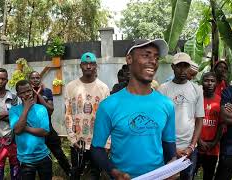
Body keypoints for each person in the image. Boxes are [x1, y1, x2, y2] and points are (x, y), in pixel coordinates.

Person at [91, 39, 177, 179]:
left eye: (156, 57)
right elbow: (96, 148)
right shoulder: (109, 105)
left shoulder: (166, 105)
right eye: (146, 55)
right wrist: (113, 171)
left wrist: (173, 162)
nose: (153, 61)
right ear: (129, 59)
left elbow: (168, 142)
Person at [159, 52, 204, 180]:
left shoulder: (197, 89)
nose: (183, 69)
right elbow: (160, 122)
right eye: (179, 66)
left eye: (186, 66)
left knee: (187, 177)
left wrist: (191, 146)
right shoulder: (163, 89)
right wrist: (173, 149)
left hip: (189, 148)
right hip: (167, 146)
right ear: (173, 67)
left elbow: (199, 120)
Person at [64, 52, 110, 180]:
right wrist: (73, 139)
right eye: (85, 64)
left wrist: (107, 143)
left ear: (96, 66)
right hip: (78, 143)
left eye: (91, 64)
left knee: (94, 175)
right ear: (80, 66)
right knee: (75, 173)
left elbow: (108, 118)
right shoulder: (70, 87)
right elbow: (68, 114)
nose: (88, 66)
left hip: (97, 143)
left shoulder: (103, 88)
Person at [28, 71, 71, 176]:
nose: (35, 80)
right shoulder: (26, 93)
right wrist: (34, 93)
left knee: (58, 153)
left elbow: (50, 110)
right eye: (33, 78)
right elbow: (31, 110)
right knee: (35, 155)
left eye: (37, 78)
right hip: (34, 131)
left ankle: (70, 173)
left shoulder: (47, 91)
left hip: (48, 128)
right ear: (29, 80)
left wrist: (38, 95)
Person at [9, 80, 52, 180]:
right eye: (23, 92)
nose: (27, 94)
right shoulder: (14, 110)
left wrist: (25, 127)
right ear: (18, 95)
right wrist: (26, 108)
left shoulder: (41, 109)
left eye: (28, 90)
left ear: (32, 91)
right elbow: (17, 131)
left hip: (43, 156)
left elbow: (45, 131)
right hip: (25, 160)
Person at [195, 72, 223, 180]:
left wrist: (214, 143)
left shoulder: (220, 101)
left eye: (212, 81)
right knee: (191, 174)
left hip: (213, 147)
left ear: (216, 83)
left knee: (209, 176)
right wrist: (199, 141)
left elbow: (221, 125)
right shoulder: (196, 99)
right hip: (196, 146)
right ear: (202, 82)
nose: (209, 83)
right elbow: (192, 122)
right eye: (206, 80)